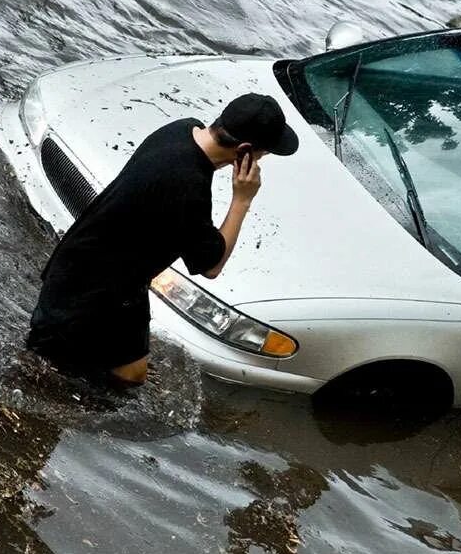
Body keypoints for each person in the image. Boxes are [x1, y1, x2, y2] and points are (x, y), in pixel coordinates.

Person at [25, 93, 298, 386]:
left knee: (128, 374)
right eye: (262, 154)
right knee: (57, 375)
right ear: (244, 150)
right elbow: (212, 266)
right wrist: (242, 199)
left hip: (96, 271)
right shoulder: (187, 186)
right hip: (92, 294)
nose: (260, 161)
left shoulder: (181, 129)